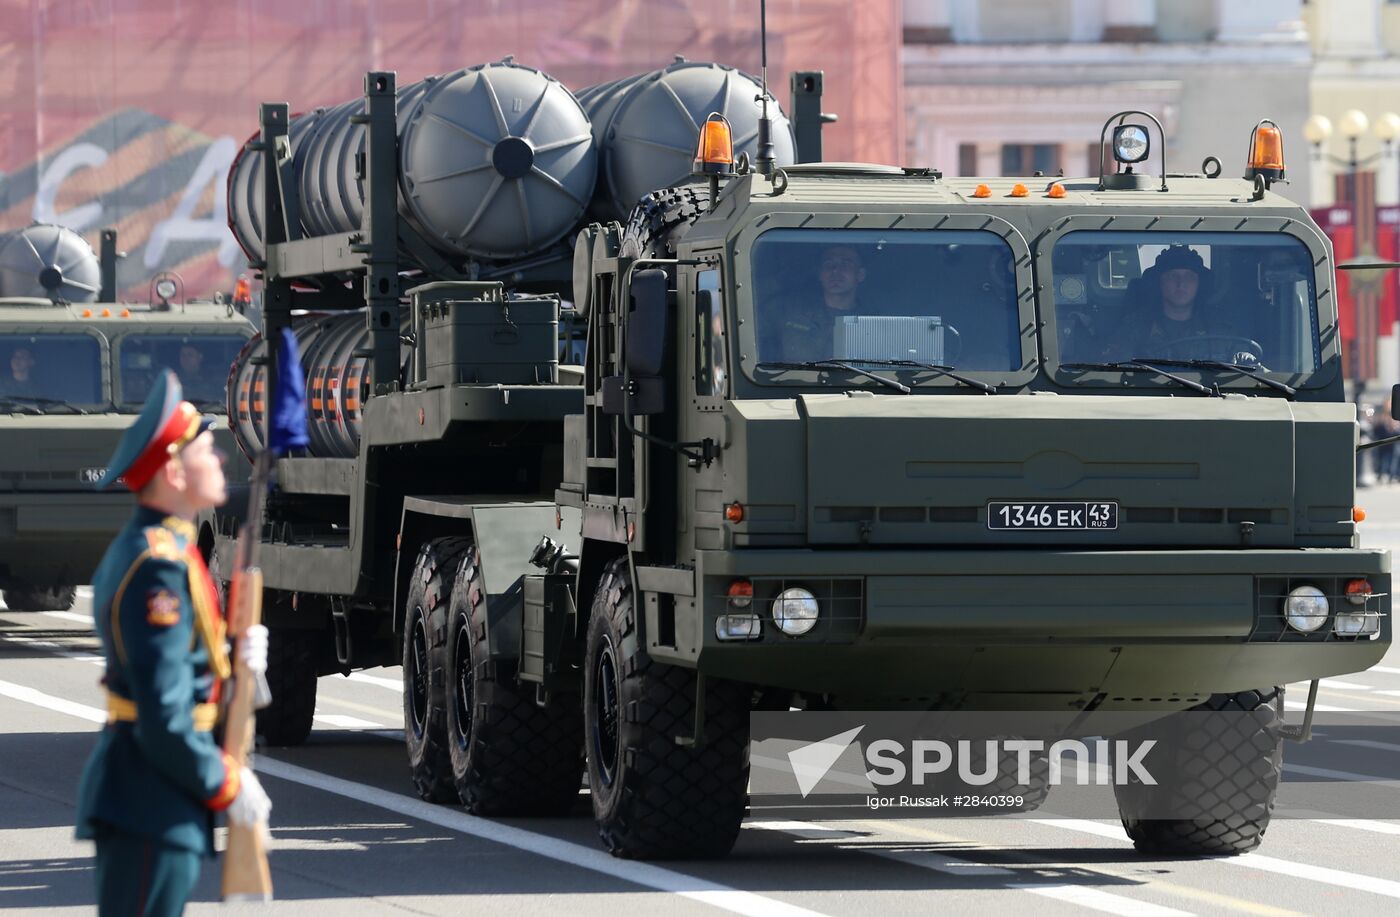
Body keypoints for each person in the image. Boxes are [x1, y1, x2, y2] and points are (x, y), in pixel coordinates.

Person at [74, 370, 271, 916]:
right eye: (206, 450)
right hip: (150, 796)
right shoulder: (156, 566)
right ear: (173, 471)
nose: (221, 459)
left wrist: (235, 662)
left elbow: (180, 670)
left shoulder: (168, 550)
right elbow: (163, 713)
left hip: (158, 795)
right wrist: (226, 783)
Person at [1115, 246, 1237, 359]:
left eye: (1189, 277)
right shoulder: (1135, 327)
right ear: (1159, 282)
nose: (1181, 284)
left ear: (1199, 284)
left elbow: (1241, 360)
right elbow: (1115, 365)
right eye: (1172, 276)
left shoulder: (1219, 328)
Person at [770, 244, 867, 362]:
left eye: (846, 264)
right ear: (820, 274)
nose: (835, 270)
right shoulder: (787, 311)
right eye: (828, 264)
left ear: (860, 275)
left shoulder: (870, 323)